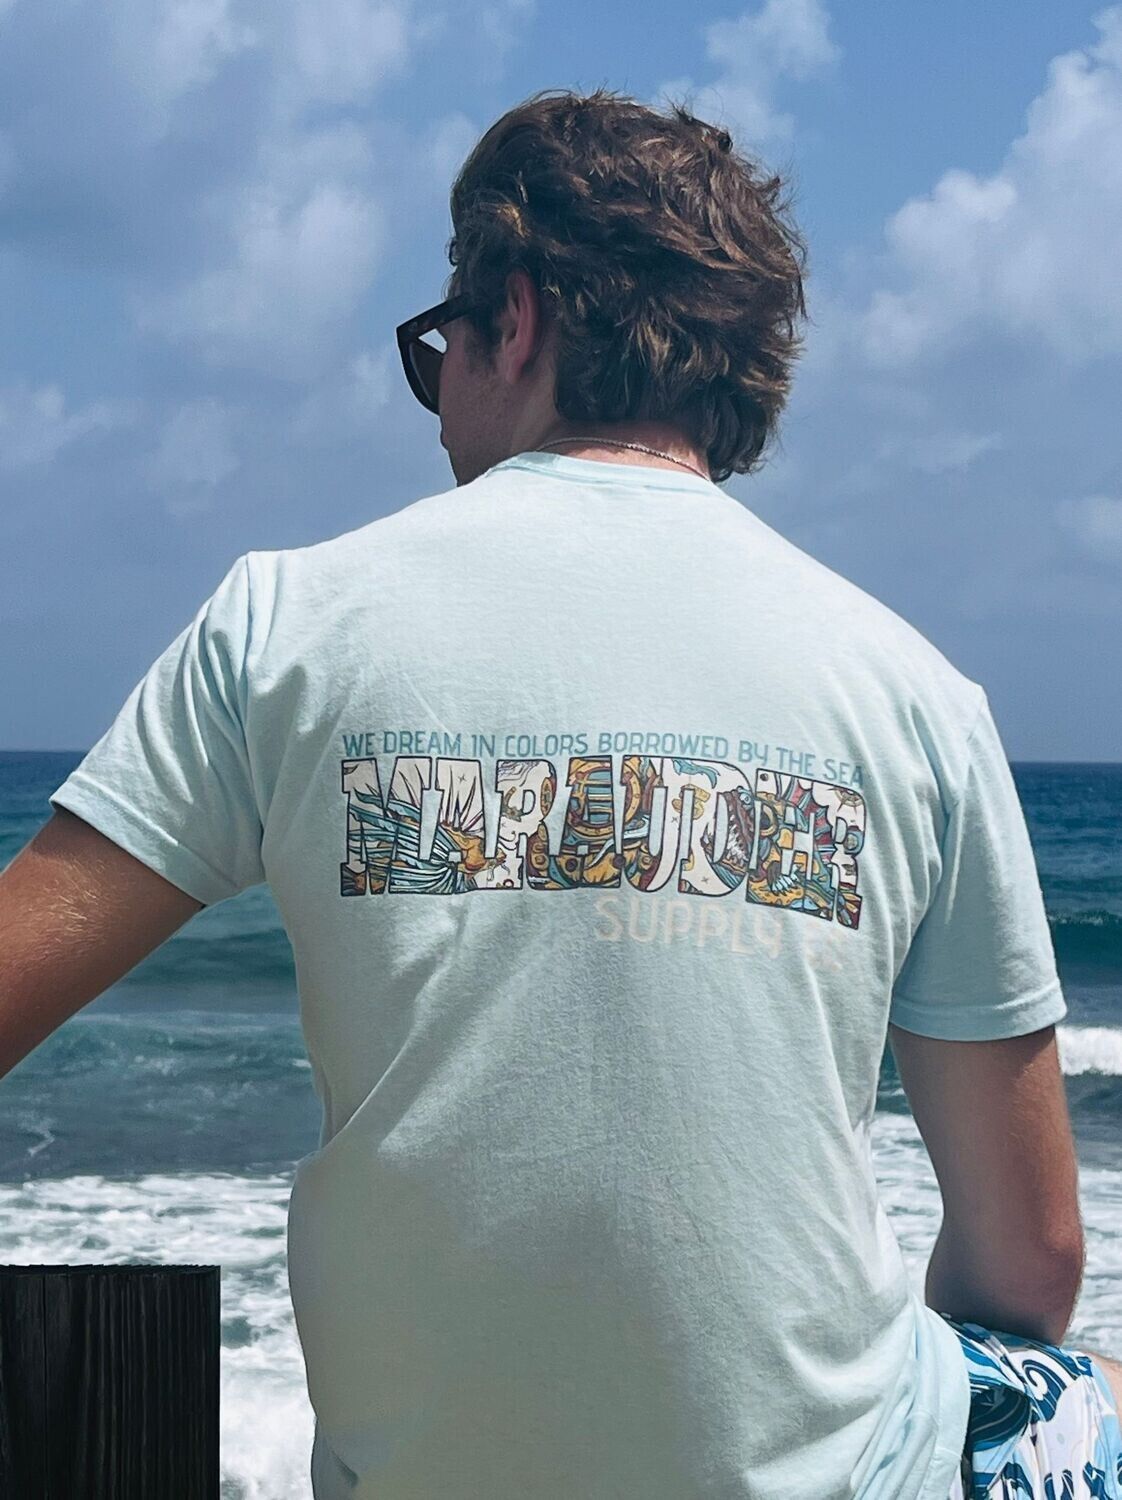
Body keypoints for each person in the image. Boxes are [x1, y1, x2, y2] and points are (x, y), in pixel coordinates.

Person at [0, 84, 1119, 1500]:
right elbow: (1032, 1261)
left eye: (437, 356)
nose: (437, 409)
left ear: (512, 318)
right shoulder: (910, 691)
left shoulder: (284, 625)